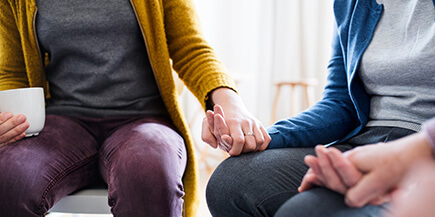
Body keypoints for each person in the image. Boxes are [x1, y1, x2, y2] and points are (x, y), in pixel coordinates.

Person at [0, 0, 269, 216]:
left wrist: (230, 101)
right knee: (9, 178)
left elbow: (191, 49)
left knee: (149, 175)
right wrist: (7, 117)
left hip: (143, 120)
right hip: (62, 121)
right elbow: (11, 72)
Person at [204, 0, 435, 216]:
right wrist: (263, 137)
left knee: (307, 211)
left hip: (423, 149)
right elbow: (340, 104)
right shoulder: (350, 4)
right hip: (366, 140)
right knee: (230, 183)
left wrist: (416, 152)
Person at [279, 117, 435, 217]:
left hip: (422, 142)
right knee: (256, 172)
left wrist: (421, 149)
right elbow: (339, 102)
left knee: (308, 211)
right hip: (360, 138)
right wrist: (267, 136)